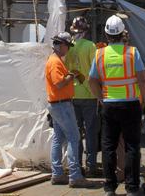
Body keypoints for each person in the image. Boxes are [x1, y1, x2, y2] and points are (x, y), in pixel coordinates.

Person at [88, 15, 145, 195]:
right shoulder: (132, 52)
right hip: (130, 105)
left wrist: (100, 98)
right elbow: (143, 79)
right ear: (123, 33)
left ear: (106, 34)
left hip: (109, 106)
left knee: (108, 147)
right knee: (132, 146)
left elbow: (92, 81)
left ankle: (109, 187)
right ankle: (131, 188)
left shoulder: (99, 54)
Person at [47, 33, 90, 187]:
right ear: (61, 45)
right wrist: (72, 75)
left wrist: (70, 74)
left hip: (57, 104)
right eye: (67, 46)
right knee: (74, 137)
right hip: (62, 105)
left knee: (59, 138)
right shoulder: (55, 62)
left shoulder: (55, 60)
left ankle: (57, 174)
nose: (68, 50)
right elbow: (59, 84)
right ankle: (75, 176)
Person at [66, 16, 101, 176]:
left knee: (76, 132)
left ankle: (77, 165)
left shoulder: (68, 47)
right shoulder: (90, 46)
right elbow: (95, 72)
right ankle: (91, 166)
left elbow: (67, 70)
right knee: (91, 132)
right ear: (86, 31)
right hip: (90, 95)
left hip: (73, 95)